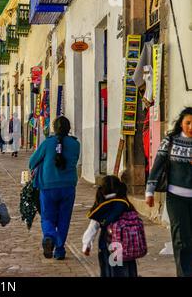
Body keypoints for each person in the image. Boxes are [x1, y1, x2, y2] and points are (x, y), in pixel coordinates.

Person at [145, 106, 192, 277]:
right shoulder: (170, 141)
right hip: (176, 197)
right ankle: (184, 273)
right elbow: (157, 167)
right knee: (181, 238)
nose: (191, 127)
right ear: (181, 123)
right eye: (188, 123)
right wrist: (149, 192)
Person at [29, 116, 80, 260]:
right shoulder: (76, 144)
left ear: (54, 128)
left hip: (48, 186)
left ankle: (49, 236)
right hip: (68, 186)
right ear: (69, 128)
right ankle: (59, 249)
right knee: (64, 219)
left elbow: (32, 162)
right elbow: (74, 160)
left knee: (47, 217)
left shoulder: (47, 143)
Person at [82, 175, 141, 277]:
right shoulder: (126, 204)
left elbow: (93, 227)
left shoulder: (103, 206)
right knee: (128, 270)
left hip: (110, 245)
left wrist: (86, 245)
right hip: (128, 245)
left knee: (112, 271)